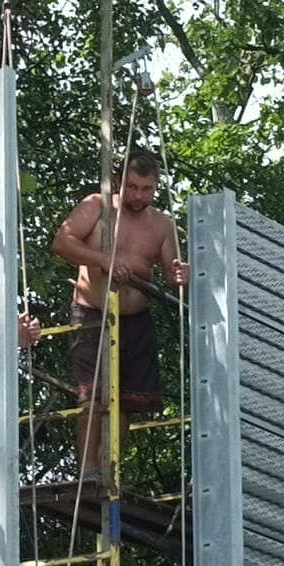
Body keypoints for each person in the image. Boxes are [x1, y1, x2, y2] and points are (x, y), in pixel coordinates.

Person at [52, 147, 186, 479]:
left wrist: (183, 274)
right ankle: (88, 470)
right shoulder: (96, 206)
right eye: (132, 187)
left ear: (156, 187)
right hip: (92, 313)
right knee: (92, 395)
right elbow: (62, 242)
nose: (139, 195)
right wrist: (104, 259)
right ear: (118, 181)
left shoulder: (162, 225)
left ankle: (109, 469)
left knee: (128, 400)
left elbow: (172, 274)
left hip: (135, 320)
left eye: (147, 189)